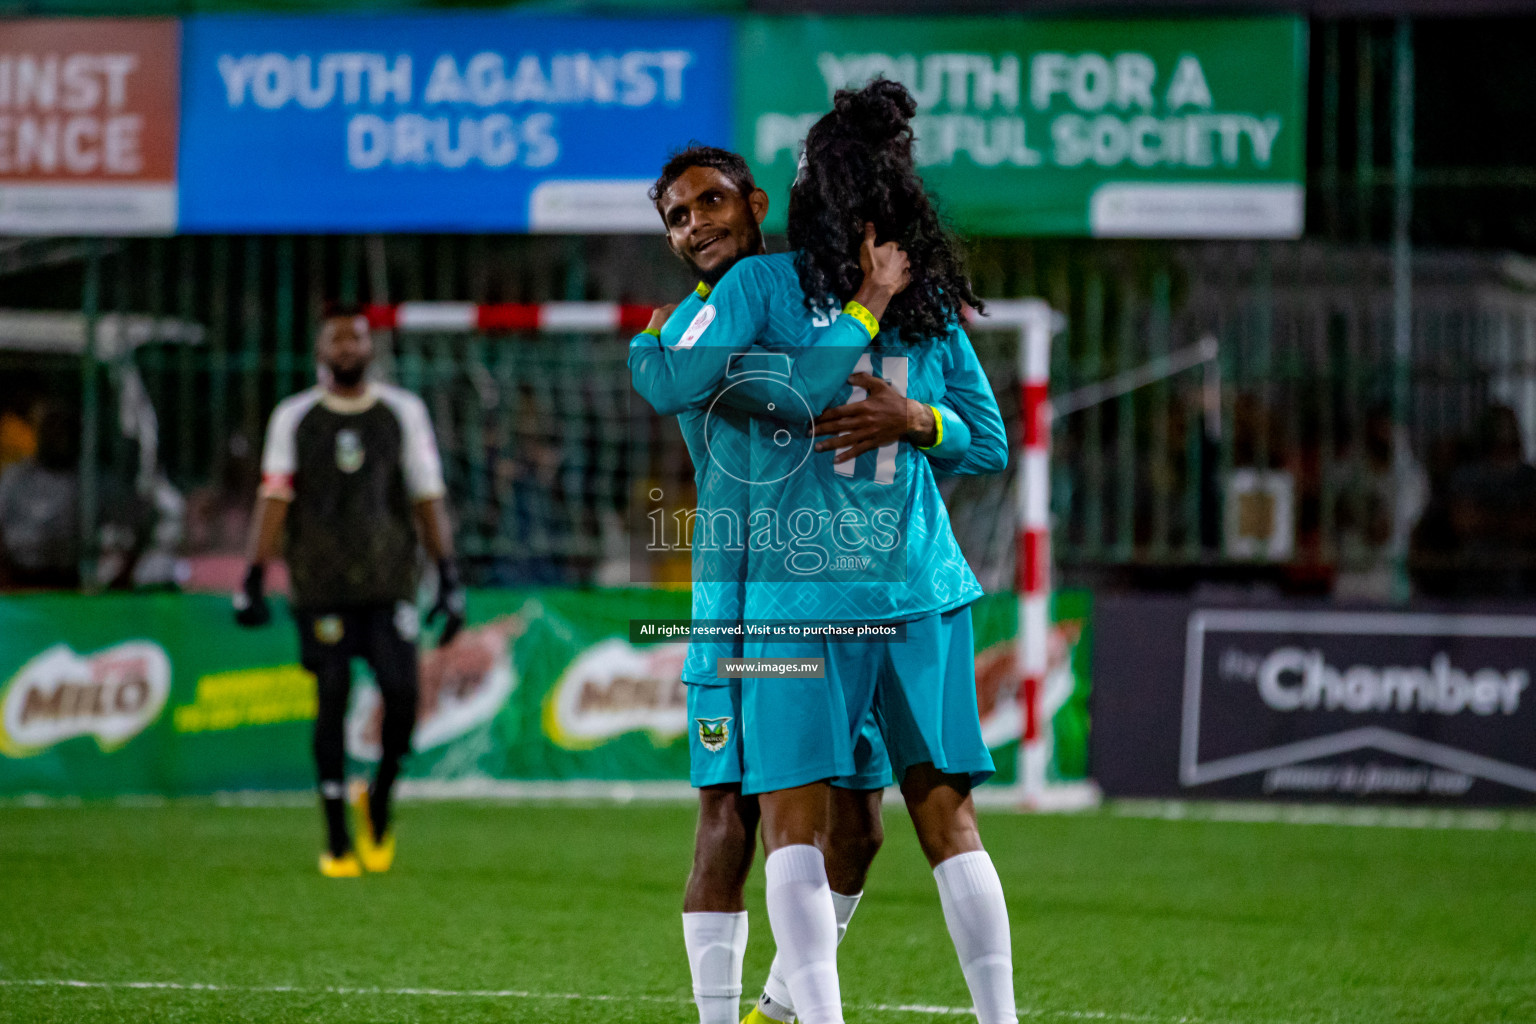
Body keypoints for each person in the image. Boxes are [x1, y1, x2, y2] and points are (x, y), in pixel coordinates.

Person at [634, 81, 1013, 1024]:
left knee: (822, 827)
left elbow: (969, 434)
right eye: (678, 215)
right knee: (889, 819)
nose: (693, 226)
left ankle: (789, 1008)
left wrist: (912, 414)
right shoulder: (900, 299)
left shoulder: (764, 289)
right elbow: (982, 439)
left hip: (804, 594)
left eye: (709, 203)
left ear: (781, 198)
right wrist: (912, 395)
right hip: (884, 589)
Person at [234, 306, 465, 878]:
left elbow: (426, 496)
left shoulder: (401, 413)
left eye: (355, 338)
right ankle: (336, 834)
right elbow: (275, 497)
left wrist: (449, 578)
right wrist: (254, 575)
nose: (346, 347)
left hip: (390, 583)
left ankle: (381, 792)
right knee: (331, 696)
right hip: (321, 586)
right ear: (319, 349)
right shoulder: (295, 418)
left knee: (404, 696)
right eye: (335, 338)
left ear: (370, 349)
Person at [0, 401, 80, 589]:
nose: (55, 434)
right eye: (49, 426)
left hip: (69, 580)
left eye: (61, 427)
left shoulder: (88, 480)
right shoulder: (15, 478)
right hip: (21, 577)